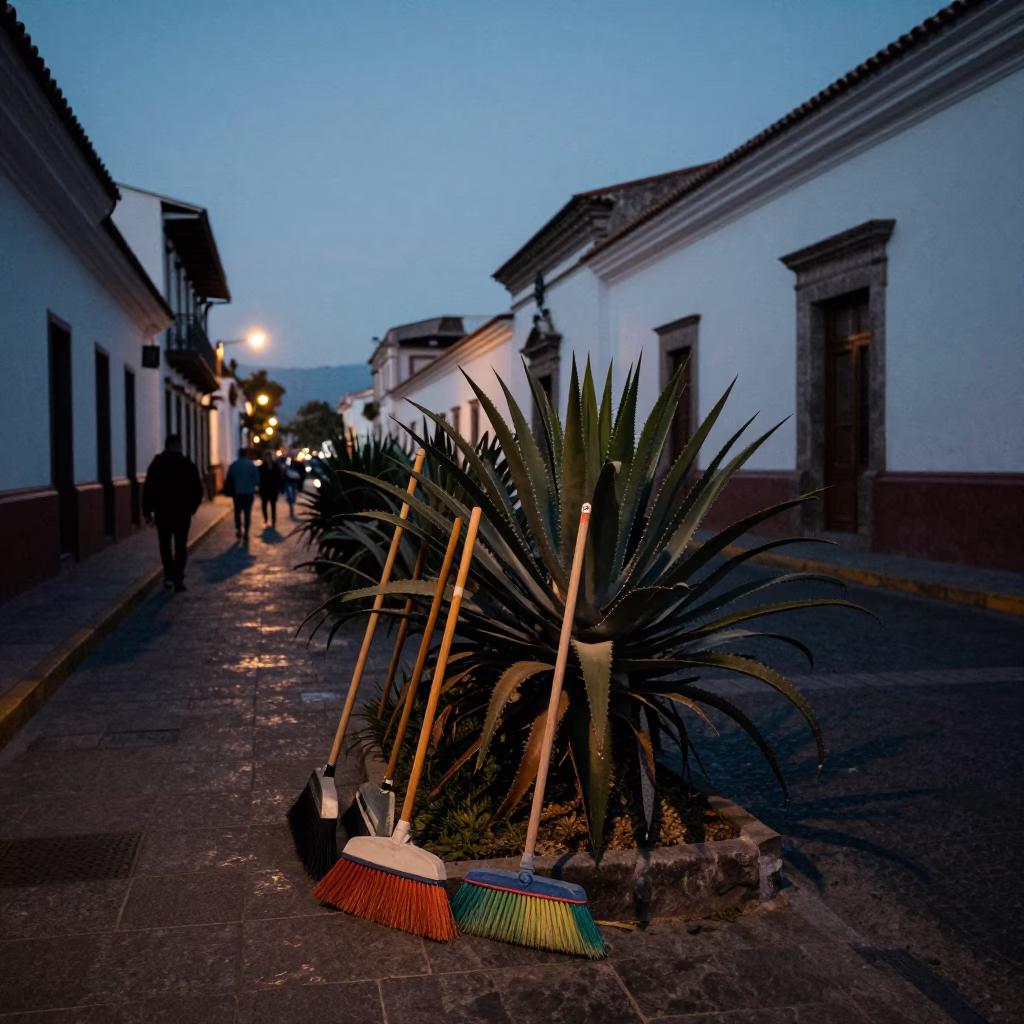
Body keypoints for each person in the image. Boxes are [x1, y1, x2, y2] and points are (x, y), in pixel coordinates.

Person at [142, 434, 204, 592]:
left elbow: (148, 488)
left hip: (163, 512)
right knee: (180, 545)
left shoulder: (158, 463)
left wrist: (147, 510)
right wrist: (192, 507)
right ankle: (178, 577)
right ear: (178, 446)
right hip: (182, 512)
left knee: (164, 544)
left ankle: (169, 575)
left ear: (166, 446)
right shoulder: (187, 464)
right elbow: (198, 488)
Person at [224, 449, 259, 540]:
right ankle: (246, 531)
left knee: (237, 512)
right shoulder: (251, 465)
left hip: (237, 492)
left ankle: (239, 528)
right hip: (248, 493)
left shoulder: (234, 465)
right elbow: (257, 480)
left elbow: (228, 478)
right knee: (247, 513)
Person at [258, 450, 284, 527]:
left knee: (273, 506)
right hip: (264, 489)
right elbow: (259, 478)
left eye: (269, 457)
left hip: (273, 489)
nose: (268, 459)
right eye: (267, 457)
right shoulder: (261, 467)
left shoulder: (276, 467)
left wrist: (279, 487)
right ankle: (265, 518)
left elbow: (279, 478)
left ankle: (273, 520)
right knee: (264, 505)